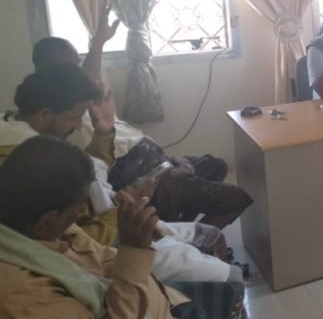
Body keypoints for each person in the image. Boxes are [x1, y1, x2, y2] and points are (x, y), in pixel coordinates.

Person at [0, 63, 242, 284]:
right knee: (229, 275)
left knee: (210, 235)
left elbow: (89, 174)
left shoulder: (20, 133)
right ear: (44, 114)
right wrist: (122, 212)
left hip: (115, 225)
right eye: (74, 118)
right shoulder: (27, 164)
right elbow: (81, 238)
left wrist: (104, 133)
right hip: (109, 249)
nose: (78, 126)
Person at [33, 18, 252, 230]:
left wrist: (99, 41)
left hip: (152, 158)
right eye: (74, 62)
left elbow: (90, 75)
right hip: (137, 171)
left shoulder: (78, 95)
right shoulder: (62, 111)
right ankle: (200, 242)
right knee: (237, 198)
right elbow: (108, 168)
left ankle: (179, 225)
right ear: (56, 69)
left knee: (217, 166)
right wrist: (165, 171)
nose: (79, 67)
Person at [0, 136, 244, 318]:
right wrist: (133, 250)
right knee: (231, 284)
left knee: (229, 286)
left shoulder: (45, 228)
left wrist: (135, 235)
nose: (82, 213)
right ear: (48, 220)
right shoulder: (23, 297)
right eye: (79, 207)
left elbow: (99, 256)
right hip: (138, 303)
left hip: (151, 296)